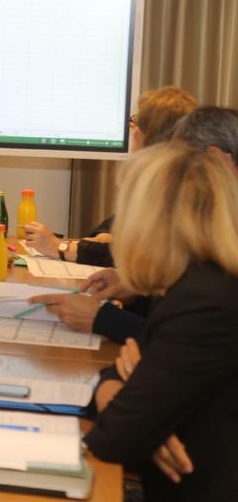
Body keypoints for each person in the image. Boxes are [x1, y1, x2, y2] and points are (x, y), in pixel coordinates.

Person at [84, 143, 238, 500]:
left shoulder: (204, 303)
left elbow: (112, 439)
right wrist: (140, 415)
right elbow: (118, 380)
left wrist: (139, 419)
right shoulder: (195, 283)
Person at [25, 86, 198, 340]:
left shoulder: (182, 202)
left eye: (137, 122)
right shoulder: (169, 192)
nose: (132, 128)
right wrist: (134, 292)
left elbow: (182, 334)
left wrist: (101, 318)